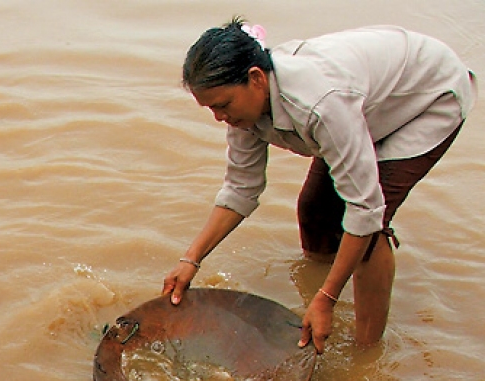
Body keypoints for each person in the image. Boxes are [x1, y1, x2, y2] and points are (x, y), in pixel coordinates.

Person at [163, 19, 476, 353]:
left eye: (223, 105)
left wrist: (326, 297)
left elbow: (364, 210)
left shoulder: (319, 104)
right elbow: (241, 188)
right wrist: (191, 259)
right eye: (210, 108)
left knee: (371, 230)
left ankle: (366, 351)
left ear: (255, 78)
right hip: (364, 101)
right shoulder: (244, 112)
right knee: (315, 210)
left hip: (428, 97)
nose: (218, 117)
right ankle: (326, 291)